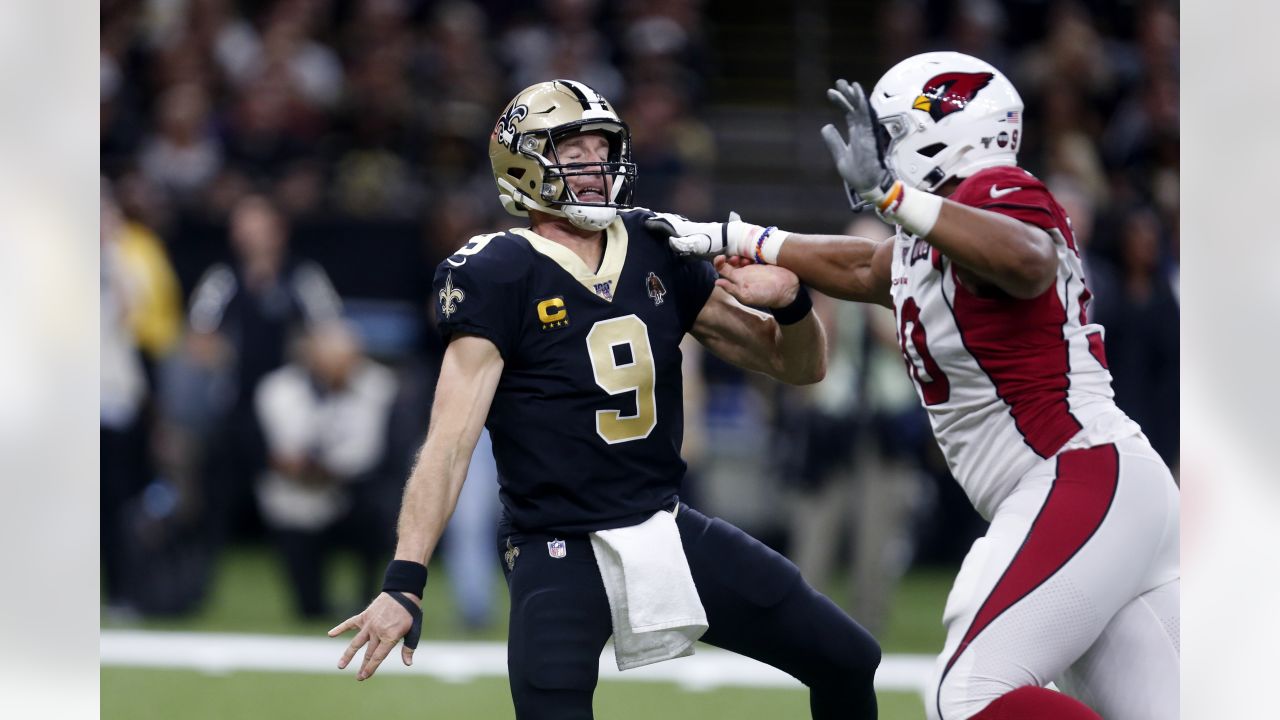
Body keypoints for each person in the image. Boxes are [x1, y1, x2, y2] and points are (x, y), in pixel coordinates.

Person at [328, 79, 881, 719]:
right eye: (573, 148)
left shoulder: (656, 245)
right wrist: (405, 581)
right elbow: (449, 444)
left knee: (847, 657)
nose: (595, 163)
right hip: (557, 544)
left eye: (602, 146)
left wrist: (791, 304)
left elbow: (801, 367)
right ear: (523, 161)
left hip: (662, 523)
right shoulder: (495, 270)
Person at [660, 53, 1178, 720]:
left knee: (963, 695)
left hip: (1074, 472)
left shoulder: (995, 192)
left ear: (947, 131)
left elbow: (1029, 260)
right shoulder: (938, 233)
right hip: (1095, 485)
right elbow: (867, 265)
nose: (879, 152)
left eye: (891, 133)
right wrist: (736, 238)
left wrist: (894, 196)